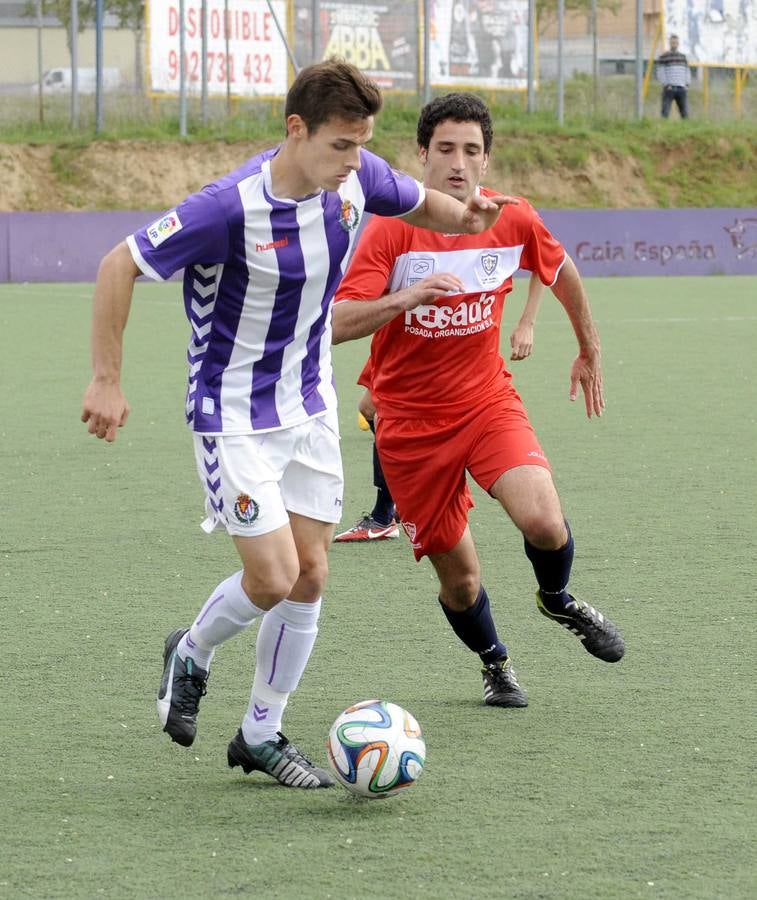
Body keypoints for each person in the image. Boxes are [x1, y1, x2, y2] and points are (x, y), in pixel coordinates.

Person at [80, 62, 510, 789]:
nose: (355, 162)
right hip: (235, 416)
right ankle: (189, 650)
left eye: (361, 146)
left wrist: (467, 218)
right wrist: (106, 379)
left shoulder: (354, 176)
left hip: (309, 406)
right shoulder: (225, 208)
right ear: (296, 130)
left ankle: (260, 732)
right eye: (341, 145)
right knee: (272, 575)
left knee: (309, 575)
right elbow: (117, 265)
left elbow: (418, 204)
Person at [332, 93, 625, 709]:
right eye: (445, 149)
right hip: (410, 428)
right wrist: (403, 300)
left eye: (471, 150)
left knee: (545, 522)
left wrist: (589, 348)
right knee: (461, 582)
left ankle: (557, 599)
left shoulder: (510, 217)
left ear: (486, 161)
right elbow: (336, 320)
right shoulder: (389, 228)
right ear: (422, 155)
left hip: (486, 402)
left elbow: (561, 268)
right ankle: (496, 664)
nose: (458, 163)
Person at [334, 273, 544, 543]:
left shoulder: (491, 232)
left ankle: (386, 515)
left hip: (443, 342)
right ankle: (387, 512)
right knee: (369, 409)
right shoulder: (404, 232)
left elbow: (548, 260)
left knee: (375, 408)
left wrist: (528, 322)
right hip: (406, 334)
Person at [656, 34, 691, 119]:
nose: (674, 44)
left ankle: (686, 129)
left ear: (678, 44)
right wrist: (666, 84)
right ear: (670, 43)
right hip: (669, 88)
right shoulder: (664, 57)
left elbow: (687, 71)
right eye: (672, 42)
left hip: (681, 88)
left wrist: (686, 84)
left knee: (685, 113)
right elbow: (660, 72)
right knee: (665, 111)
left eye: (676, 42)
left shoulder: (683, 57)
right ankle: (663, 128)